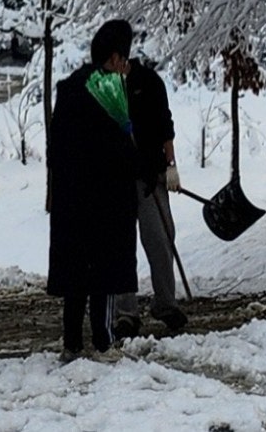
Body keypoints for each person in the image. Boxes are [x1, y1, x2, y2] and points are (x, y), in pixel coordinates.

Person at [47, 21, 140, 361]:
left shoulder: (70, 89)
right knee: (103, 271)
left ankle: (71, 340)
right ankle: (103, 338)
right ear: (115, 58)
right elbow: (119, 151)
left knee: (76, 272)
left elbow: (55, 147)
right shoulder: (109, 91)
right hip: (104, 198)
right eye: (124, 59)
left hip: (72, 198)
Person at [111, 23, 187, 337]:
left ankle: (165, 303)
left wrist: (170, 166)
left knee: (160, 238)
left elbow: (165, 125)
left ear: (121, 57)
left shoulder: (148, 82)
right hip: (118, 180)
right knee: (121, 244)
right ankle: (125, 312)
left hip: (152, 178)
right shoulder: (103, 87)